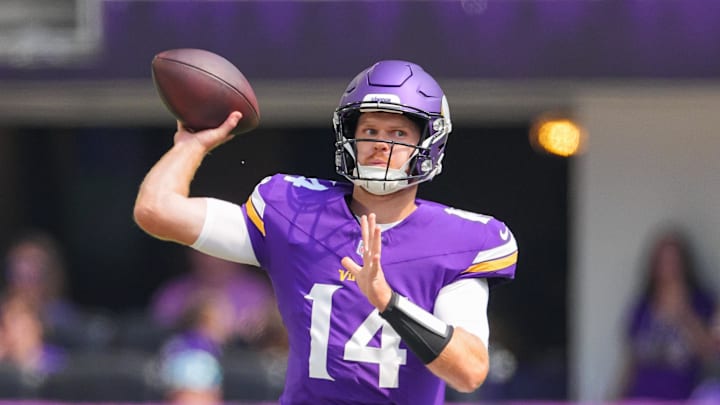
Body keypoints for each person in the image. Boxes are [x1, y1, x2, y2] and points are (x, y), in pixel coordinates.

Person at [134, 60, 518, 404]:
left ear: (428, 143)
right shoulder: (296, 212)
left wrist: (388, 302)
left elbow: (469, 372)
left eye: (398, 134)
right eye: (369, 130)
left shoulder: (461, 240)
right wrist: (191, 145)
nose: (380, 145)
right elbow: (157, 211)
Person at [618, 229, 716, 400]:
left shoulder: (701, 301)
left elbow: (710, 351)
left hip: (682, 396)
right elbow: (632, 361)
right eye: (663, 260)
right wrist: (616, 397)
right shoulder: (643, 306)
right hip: (641, 397)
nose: (669, 267)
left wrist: (684, 314)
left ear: (685, 263)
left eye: (674, 260)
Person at [151, 248, 282, 349]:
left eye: (218, 252)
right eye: (203, 251)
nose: (211, 260)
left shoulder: (258, 293)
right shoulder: (172, 294)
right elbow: (158, 341)